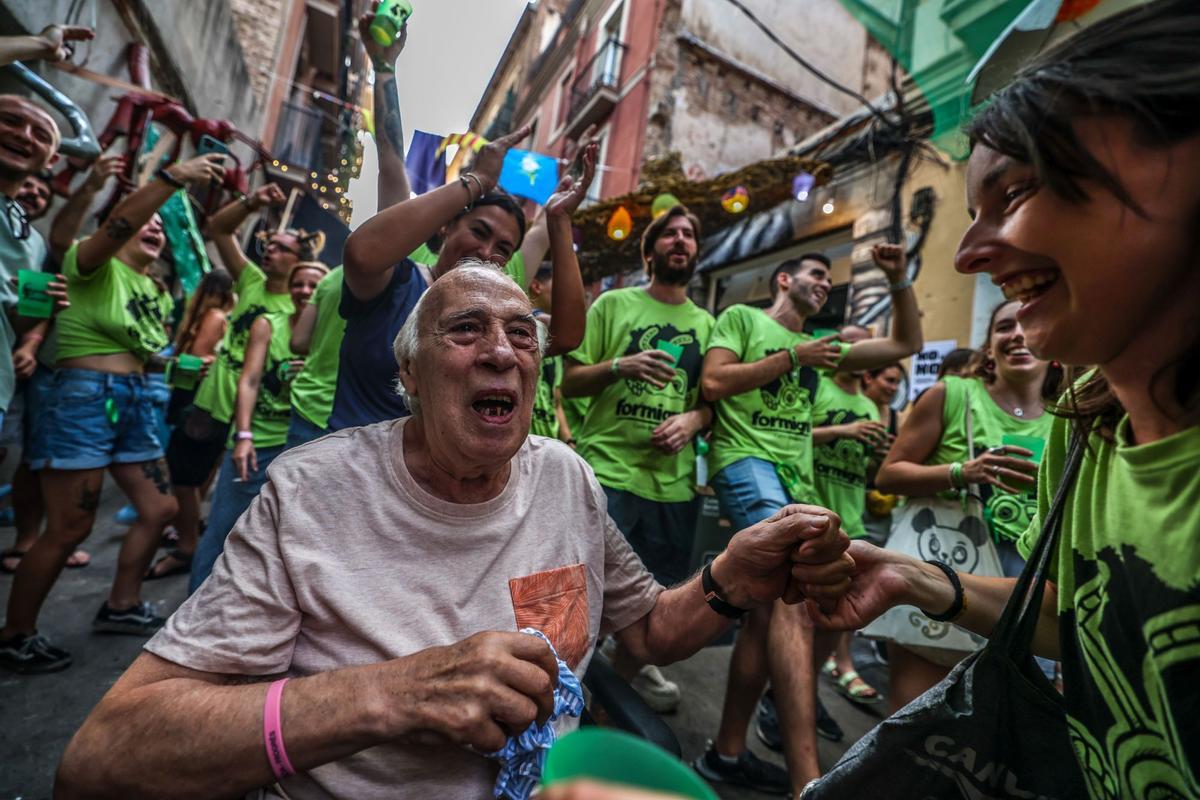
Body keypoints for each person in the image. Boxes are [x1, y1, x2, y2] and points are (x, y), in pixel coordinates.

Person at [55, 264, 855, 800]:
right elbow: (104, 757)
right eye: (466, 330)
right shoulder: (312, 493)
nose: (501, 352)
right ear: (408, 374)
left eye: (522, 334)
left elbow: (644, 635)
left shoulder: (565, 478)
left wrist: (729, 581)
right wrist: (388, 694)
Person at [804, 3, 1200, 796]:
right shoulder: (1089, 428)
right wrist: (922, 582)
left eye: (1016, 192)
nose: (967, 255)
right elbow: (1077, 620)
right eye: (971, 210)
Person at [695, 245, 922, 794]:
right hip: (747, 462)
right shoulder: (742, 318)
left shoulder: (821, 348)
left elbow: (905, 344)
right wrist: (797, 359)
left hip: (796, 479)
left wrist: (896, 280)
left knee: (769, 613)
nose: (824, 283)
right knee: (793, 593)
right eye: (817, 274)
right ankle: (808, 782)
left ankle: (726, 753)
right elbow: (716, 383)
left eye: (829, 278)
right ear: (784, 279)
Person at [0, 154, 226, 673]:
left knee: (161, 508)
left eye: (158, 230)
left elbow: (147, 350)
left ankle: (120, 605)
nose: (152, 230)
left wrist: (181, 365)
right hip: (83, 396)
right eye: (141, 224)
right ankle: (15, 633)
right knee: (70, 527)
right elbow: (120, 219)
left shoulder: (153, 289)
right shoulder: (91, 264)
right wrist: (169, 182)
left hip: (137, 398)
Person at [336, 122, 592, 429]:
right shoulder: (397, 281)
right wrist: (479, 180)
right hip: (355, 463)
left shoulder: (499, 319)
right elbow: (361, 254)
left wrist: (560, 221)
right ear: (447, 226)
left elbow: (566, 335)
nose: (486, 251)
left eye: (503, 248)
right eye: (478, 232)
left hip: (439, 472)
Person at [561, 204, 714, 714]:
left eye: (688, 233)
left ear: (696, 252)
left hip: (671, 487)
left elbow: (712, 403)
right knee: (578, 599)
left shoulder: (708, 326)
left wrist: (693, 421)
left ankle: (604, 704)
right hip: (608, 472)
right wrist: (622, 365)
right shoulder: (613, 304)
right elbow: (570, 381)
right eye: (669, 233)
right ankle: (556, 698)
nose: (680, 239)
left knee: (651, 609)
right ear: (650, 252)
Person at [872, 299, 1061, 708]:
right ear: (989, 347)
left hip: (1032, 592)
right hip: (947, 569)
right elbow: (888, 475)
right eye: (1004, 327)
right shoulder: (952, 394)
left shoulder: (1069, 416)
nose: (1017, 334)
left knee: (1003, 739)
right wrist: (963, 472)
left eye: (1029, 322)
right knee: (915, 728)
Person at [164, 182, 308, 544]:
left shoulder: (301, 308)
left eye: (281, 248)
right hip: (216, 395)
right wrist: (252, 200)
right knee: (183, 475)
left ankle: (190, 540)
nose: (269, 251)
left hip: (254, 416)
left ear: (298, 261)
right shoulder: (251, 281)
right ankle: (188, 539)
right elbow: (218, 229)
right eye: (269, 245)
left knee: (213, 479)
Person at [189, 261, 327, 591]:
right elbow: (249, 379)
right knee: (223, 529)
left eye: (313, 286)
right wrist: (244, 436)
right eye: (299, 284)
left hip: (302, 445)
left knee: (283, 541)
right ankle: (193, 612)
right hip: (260, 442)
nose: (305, 291)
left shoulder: (331, 332)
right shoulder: (268, 324)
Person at [810, 325, 887, 706]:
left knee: (850, 595)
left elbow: (870, 466)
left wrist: (878, 450)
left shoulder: (872, 406)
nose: (859, 351)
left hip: (853, 510)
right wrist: (847, 429)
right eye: (851, 343)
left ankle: (843, 664)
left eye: (866, 345)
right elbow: (797, 436)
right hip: (814, 507)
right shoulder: (818, 386)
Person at [142, 270, 234, 580]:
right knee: (192, 476)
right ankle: (187, 533)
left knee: (183, 479)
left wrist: (166, 362)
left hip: (198, 403)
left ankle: (187, 546)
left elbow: (194, 359)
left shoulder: (213, 317)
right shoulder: (219, 317)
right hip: (196, 402)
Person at [528, 262, 574, 443]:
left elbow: (556, 402)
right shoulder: (519, 331)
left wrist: (569, 441)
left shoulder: (553, 342)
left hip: (547, 444)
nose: (566, 294)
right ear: (536, 286)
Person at [860, 362, 905, 545]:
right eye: (889, 380)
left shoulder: (899, 419)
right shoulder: (853, 410)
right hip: (847, 494)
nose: (893, 388)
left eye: (897, 383)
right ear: (869, 378)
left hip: (880, 505)